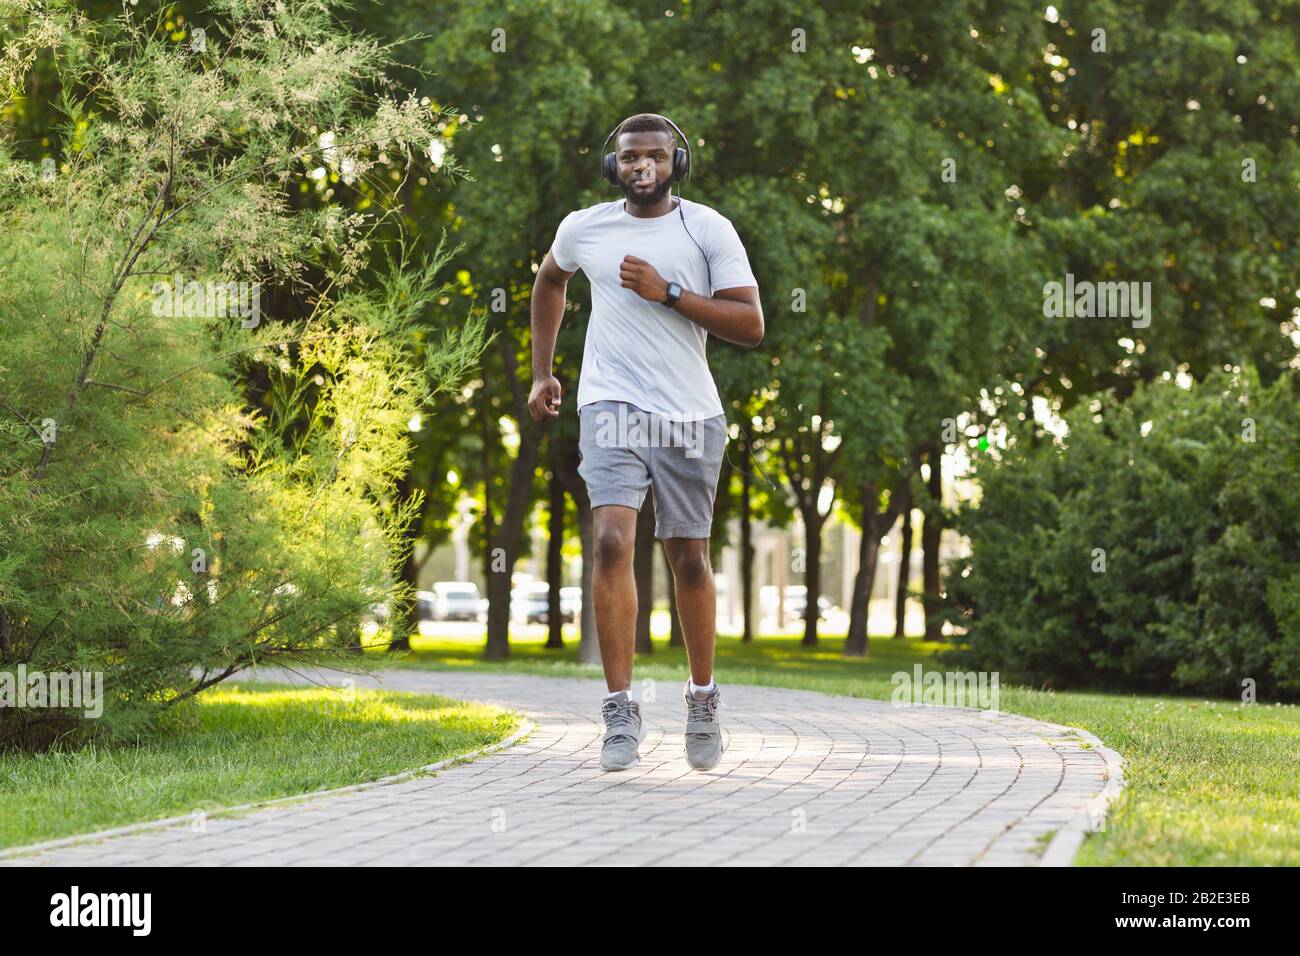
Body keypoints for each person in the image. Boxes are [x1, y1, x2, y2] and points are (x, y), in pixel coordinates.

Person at [527, 112, 764, 771]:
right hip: (610, 404)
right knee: (609, 542)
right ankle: (620, 711)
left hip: (690, 414)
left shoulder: (707, 228)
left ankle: (702, 698)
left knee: (688, 558)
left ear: (675, 163)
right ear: (614, 166)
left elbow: (750, 324)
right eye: (630, 158)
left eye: (655, 157)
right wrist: (544, 372)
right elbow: (551, 280)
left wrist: (671, 293)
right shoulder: (584, 228)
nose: (642, 167)